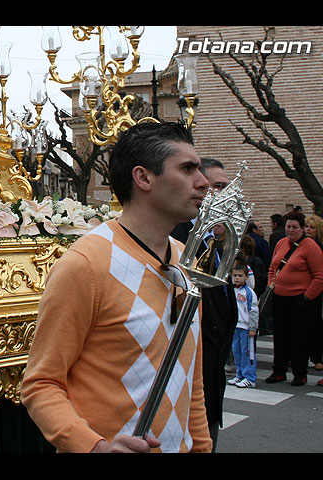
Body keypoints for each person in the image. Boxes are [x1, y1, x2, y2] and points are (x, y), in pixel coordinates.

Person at [21, 122, 212, 453]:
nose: (203, 181)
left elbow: (190, 377)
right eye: (187, 168)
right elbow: (41, 384)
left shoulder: (186, 260)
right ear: (144, 178)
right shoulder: (86, 264)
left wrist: (202, 447)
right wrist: (94, 447)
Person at [170, 157, 238, 452]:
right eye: (219, 187)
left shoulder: (219, 239)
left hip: (210, 381)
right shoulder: (176, 238)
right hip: (184, 386)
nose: (228, 195)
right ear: (200, 190)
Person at [265, 211, 323, 386]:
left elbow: (320, 275)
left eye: (295, 227)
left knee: (299, 338)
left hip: (300, 300)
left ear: (302, 228)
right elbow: (272, 268)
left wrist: (307, 297)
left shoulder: (310, 246)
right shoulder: (281, 243)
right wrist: (271, 285)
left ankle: (300, 374)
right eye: (288, 227)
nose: (291, 230)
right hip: (279, 298)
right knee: (280, 337)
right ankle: (279, 371)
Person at [228, 264, 259, 388]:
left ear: (246, 277)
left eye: (240, 276)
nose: (237, 278)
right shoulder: (231, 290)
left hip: (246, 328)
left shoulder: (249, 293)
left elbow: (254, 311)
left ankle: (250, 378)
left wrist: (253, 328)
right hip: (236, 326)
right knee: (237, 352)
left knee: (247, 353)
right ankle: (240, 375)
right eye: (235, 275)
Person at [304, 214, 323, 375]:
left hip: (314, 294)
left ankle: (317, 357)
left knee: (316, 326)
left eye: (312, 227)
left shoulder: (318, 247)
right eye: (307, 227)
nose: (308, 230)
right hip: (303, 293)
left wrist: (309, 294)